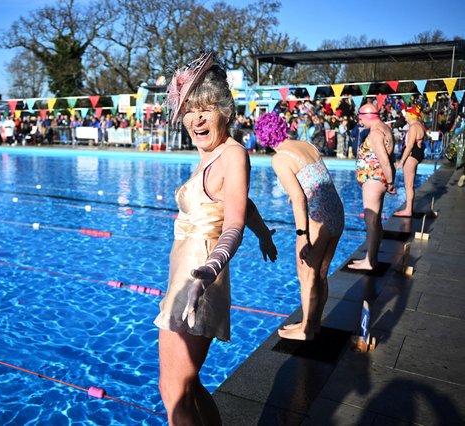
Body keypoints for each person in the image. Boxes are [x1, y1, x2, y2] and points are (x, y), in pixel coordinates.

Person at [154, 51, 276, 424]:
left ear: (225, 110)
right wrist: (265, 234)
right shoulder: (211, 154)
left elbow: (232, 224)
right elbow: (243, 204)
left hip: (200, 278)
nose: (197, 118)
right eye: (190, 110)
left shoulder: (232, 154)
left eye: (206, 108)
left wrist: (210, 268)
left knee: (173, 391)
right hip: (185, 280)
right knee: (188, 386)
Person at [255, 112, 344, 340]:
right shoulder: (306, 145)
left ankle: (305, 329)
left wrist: (302, 235)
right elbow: (315, 178)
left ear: (263, 137)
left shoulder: (279, 159)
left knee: (306, 275)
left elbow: (298, 197)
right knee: (321, 273)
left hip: (317, 218)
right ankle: (313, 324)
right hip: (336, 211)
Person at [349, 103, 396, 271]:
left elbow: (384, 160)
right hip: (377, 179)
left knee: (371, 222)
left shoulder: (376, 133)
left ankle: (370, 261)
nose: (359, 121)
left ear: (368, 116)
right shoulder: (385, 128)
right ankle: (371, 258)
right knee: (375, 222)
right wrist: (389, 180)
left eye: (360, 118)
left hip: (373, 180)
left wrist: (390, 182)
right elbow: (390, 159)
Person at [393, 105, 427, 217]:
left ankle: (408, 210)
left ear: (410, 115)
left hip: (411, 156)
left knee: (408, 185)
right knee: (410, 185)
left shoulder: (413, 127)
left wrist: (402, 161)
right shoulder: (420, 126)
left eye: (406, 115)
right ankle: (409, 208)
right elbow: (421, 142)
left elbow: (409, 146)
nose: (405, 117)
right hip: (417, 154)